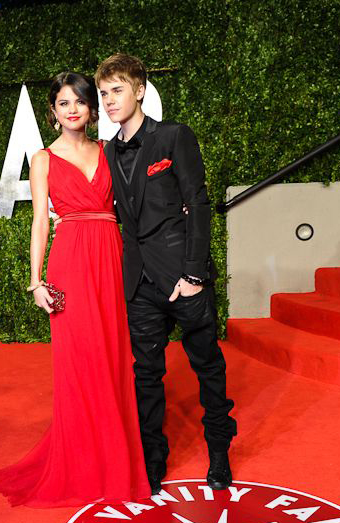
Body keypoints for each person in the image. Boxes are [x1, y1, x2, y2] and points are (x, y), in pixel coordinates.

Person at [0, 73, 150, 507]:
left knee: (115, 358)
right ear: (53, 112)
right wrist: (36, 280)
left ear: (91, 108)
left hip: (111, 258)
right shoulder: (42, 158)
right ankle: (83, 467)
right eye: (63, 103)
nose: (73, 109)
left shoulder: (109, 150)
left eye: (80, 101)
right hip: (70, 263)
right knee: (80, 364)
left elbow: (130, 204)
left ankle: (116, 464)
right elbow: (41, 219)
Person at [96, 53, 237, 493]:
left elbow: (197, 205)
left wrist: (194, 274)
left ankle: (219, 453)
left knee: (207, 367)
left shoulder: (174, 136)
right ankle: (153, 461)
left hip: (183, 278)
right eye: (103, 93)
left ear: (139, 91)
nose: (109, 100)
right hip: (139, 284)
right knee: (146, 375)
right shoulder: (107, 152)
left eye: (117, 91)